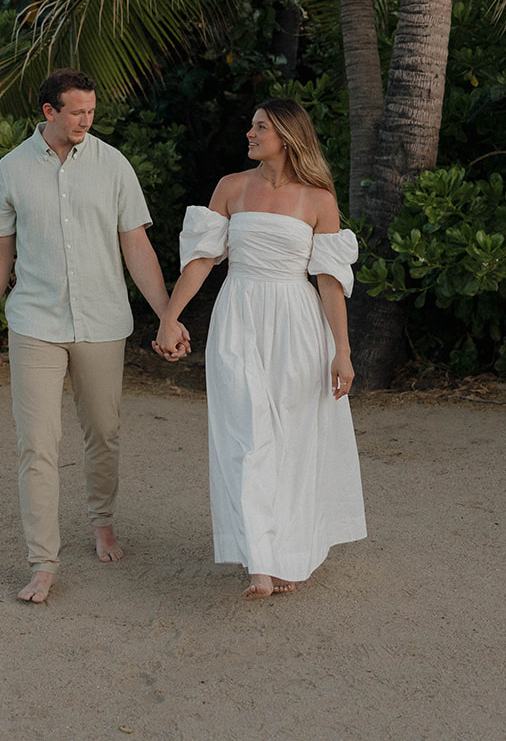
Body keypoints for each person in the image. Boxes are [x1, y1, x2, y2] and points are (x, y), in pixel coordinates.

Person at [0, 68, 189, 604]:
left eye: (91, 112)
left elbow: (136, 246)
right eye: (76, 112)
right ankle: (42, 561)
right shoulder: (12, 169)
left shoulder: (113, 164)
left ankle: (102, 522)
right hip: (35, 324)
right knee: (37, 445)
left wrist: (166, 315)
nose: (86, 121)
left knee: (104, 431)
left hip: (101, 322)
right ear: (49, 111)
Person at [155, 98, 367, 598]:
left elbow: (330, 281)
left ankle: (288, 553)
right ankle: (257, 558)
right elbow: (204, 260)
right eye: (250, 125)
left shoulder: (318, 199)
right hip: (239, 317)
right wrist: (170, 317)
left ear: (288, 136)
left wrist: (343, 351)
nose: (249, 133)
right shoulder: (231, 187)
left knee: (294, 436)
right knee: (244, 433)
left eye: (260, 127)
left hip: (296, 322)